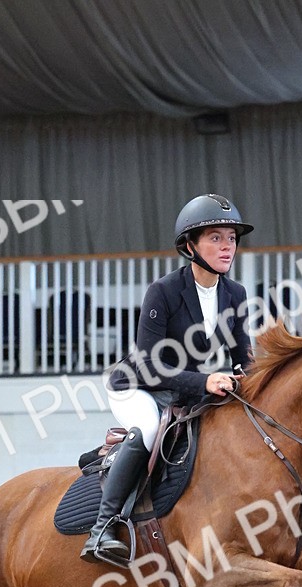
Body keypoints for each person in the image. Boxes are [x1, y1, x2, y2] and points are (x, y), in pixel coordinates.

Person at [80, 193, 254, 567]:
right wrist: (206, 382)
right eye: (216, 238)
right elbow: (150, 365)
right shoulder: (164, 291)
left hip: (186, 390)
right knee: (146, 430)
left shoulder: (235, 294)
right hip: (138, 386)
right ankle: (102, 528)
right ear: (190, 246)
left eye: (231, 238)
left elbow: (244, 359)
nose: (227, 247)